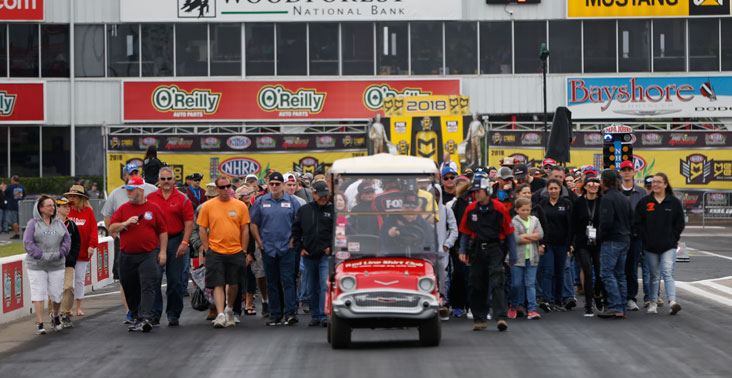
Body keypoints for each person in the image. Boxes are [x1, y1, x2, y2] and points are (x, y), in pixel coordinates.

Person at [109, 176, 168, 332]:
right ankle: (136, 316)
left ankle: (146, 317)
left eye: (131, 190)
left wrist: (162, 252)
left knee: (148, 285)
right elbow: (112, 228)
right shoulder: (123, 209)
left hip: (148, 254)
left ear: (140, 190)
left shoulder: (154, 208)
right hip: (127, 255)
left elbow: (162, 231)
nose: (128, 193)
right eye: (127, 190)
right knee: (129, 286)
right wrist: (125, 223)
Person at [458, 176, 517, 332]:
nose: (476, 194)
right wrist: (463, 250)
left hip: (495, 248)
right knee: (476, 283)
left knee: (498, 280)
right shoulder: (471, 210)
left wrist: (513, 254)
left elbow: (509, 233)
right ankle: (479, 318)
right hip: (477, 248)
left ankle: (501, 317)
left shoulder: (500, 208)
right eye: (475, 192)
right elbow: (465, 232)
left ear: (488, 191)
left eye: (479, 191)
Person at [102, 163, 158, 323]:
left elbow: (160, 223)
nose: (133, 175)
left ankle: (146, 314)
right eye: (130, 173)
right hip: (124, 243)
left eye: (135, 172)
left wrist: (160, 248)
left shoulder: (151, 189)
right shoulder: (116, 194)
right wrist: (116, 235)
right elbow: (108, 218)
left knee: (148, 281)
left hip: (148, 247)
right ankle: (130, 312)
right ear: (125, 176)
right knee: (126, 280)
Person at [197, 176, 251, 328]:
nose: (226, 189)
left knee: (234, 284)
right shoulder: (208, 206)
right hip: (215, 250)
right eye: (222, 187)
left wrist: (244, 250)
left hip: (235, 251)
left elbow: (245, 229)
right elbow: (201, 228)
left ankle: (229, 309)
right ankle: (220, 314)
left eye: (228, 186)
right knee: (218, 283)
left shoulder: (240, 206)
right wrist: (207, 248)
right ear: (217, 189)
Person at [249, 172, 302, 326]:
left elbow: (299, 224)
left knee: (288, 281)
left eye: (277, 184)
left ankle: (290, 313)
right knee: (271, 282)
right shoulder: (261, 201)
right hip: (268, 248)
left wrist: (293, 241)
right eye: (271, 184)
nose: (274, 186)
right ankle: (275, 314)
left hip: (287, 248)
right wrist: (259, 243)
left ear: (282, 185)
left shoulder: (292, 201)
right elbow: (253, 224)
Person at [148, 167, 194, 326]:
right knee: (155, 279)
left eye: (169, 179)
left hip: (176, 241)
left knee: (175, 281)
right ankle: (154, 314)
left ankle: (173, 313)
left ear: (174, 180)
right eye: (163, 179)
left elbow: (189, 223)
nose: (166, 182)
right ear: (158, 181)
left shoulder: (183, 199)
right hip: (155, 242)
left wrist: (185, 242)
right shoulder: (150, 198)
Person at [635, 173, 685, 315]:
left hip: (669, 245)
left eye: (658, 182)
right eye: (653, 182)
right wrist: (644, 238)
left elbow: (680, 222)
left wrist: (674, 237)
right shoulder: (645, 202)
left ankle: (672, 301)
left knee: (668, 272)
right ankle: (652, 303)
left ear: (665, 184)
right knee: (654, 275)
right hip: (650, 246)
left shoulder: (673, 202)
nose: (655, 184)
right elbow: (637, 223)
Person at [24, 195, 71, 335]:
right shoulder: (33, 224)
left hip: (56, 264)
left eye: (53, 205)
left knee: (56, 294)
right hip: (37, 265)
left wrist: (61, 252)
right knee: (38, 293)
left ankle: (55, 315)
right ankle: (39, 322)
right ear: (41, 208)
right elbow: (28, 243)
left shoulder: (59, 223)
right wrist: (40, 255)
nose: (53, 208)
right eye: (49, 205)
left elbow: (67, 240)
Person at [292, 182, 333, 327]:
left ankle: (324, 315)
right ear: (314, 194)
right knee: (310, 287)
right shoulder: (304, 210)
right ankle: (315, 315)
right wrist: (299, 248)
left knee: (324, 285)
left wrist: (331, 247)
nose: (323, 198)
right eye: (320, 195)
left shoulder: (333, 210)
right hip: (308, 255)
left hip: (324, 255)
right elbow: (296, 231)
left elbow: (339, 230)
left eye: (325, 196)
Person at [597, 170, 633, 319]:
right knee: (620, 275)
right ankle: (622, 307)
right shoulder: (624, 198)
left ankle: (615, 306)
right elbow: (632, 219)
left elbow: (606, 222)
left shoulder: (607, 198)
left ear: (604, 182)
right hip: (625, 239)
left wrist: (600, 238)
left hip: (611, 240)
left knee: (606, 273)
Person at [571, 173, 605, 317]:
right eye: (590, 184)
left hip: (598, 241)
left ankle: (597, 294)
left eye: (596, 184)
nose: (593, 186)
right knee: (588, 271)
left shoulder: (603, 201)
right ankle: (588, 303)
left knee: (599, 272)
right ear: (584, 186)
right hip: (582, 241)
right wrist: (571, 243)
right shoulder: (578, 202)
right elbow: (572, 224)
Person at [538, 179, 574, 312]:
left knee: (559, 272)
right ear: (547, 190)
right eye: (551, 188)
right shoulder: (542, 204)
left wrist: (570, 243)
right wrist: (541, 242)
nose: (553, 191)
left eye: (556, 188)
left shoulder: (566, 204)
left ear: (560, 189)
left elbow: (570, 225)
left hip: (562, 243)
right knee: (547, 271)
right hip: (547, 243)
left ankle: (558, 300)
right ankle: (547, 299)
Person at [618, 160, 648, 312]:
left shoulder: (642, 192)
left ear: (634, 172)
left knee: (632, 269)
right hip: (618, 237)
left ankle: (631, 298)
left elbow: (645, 215)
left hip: (635, 237)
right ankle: (618, 297)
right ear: (620, 173)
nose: (627, 172)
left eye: (630, 169)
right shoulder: (616, 191)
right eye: (624, 170)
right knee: (618, 268)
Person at [65, 185, 99, 317]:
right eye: (70, 196)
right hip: (68, 253)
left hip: (83, 252)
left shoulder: (88, 211)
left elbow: (93, 230)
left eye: (74, 196)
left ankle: (78, 307)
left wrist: (92, 245)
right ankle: (67, 307)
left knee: (79, 280)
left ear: (81, 198)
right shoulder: (66, 211)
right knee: (68, 282)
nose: (72, 199)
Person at [509, 198, 543, 320]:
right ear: (517, 210)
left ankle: (532, 309)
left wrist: (524, 235)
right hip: (517, 258)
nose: (525, 212)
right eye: (522, 210)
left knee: (530, 284)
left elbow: (540, 234)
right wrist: (532, 237)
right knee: (516, 284)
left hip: (532, 257)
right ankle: (514, 304)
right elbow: (516, 239)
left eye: (527, 210)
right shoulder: (514, 222)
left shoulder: (535, 220)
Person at [53, 197, 81, 328]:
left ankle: (65, 314)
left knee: (68, 287)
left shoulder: (72, 224)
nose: (67, 208)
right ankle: (54, 315)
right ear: (57, 208)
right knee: (53, 290)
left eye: (68, 206)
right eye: (64, 206)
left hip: (68, 263)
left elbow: (77, 243)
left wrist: (72, 258)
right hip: (53, 264)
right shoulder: (49, 223)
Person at [432, 185, 458, 320]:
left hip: (442, 251)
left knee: (444, 278)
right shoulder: (423, 210)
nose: (434, 197)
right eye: (432, 194)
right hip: (426, 252)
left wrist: (447, 244)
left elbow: (454, 230)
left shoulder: (447, 210)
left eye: (436, 194)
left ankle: (443, 304)